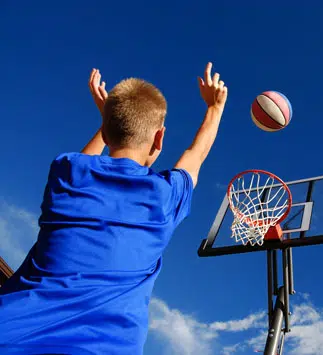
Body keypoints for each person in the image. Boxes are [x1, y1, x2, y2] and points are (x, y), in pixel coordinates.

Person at [0, 62, 228, 354]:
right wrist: (215, 108)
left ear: (106, 133)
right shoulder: (164, 196)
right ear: (159, 138)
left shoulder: (67, 173)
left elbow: (86, 160)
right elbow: (195, 156)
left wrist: (108, 119)